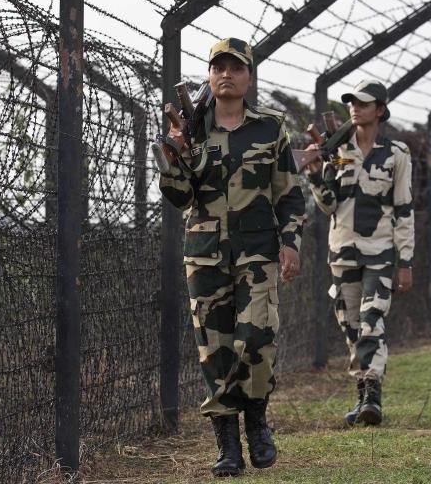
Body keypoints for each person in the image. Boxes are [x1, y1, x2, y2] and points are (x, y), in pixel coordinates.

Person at [159, 37, 305, 477]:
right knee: (215, 350)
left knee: (257, 337)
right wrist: (177, 154)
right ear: (208, 75)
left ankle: (256, 420)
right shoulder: (191, 128)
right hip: (205, 254)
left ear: (248, 77)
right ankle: (227, 443)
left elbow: (289, 194)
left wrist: (291, 241)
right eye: (218, 67)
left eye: (235, 68)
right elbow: (179, 197)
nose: (226, 74)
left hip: (258, 251)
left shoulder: (270, 128)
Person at [304, 79, 414, 426]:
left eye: (364, 103)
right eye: (352, 102)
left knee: (371, 319)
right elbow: (329, 205)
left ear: (379, 110)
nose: (355, 107)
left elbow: (404, 209)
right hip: (342, 252)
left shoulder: (396, 154)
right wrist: (314, 176)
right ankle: (364, 394)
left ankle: (373, 396)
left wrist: (405, 261)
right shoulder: (338, 151)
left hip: (380, 252)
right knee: (351, 326)